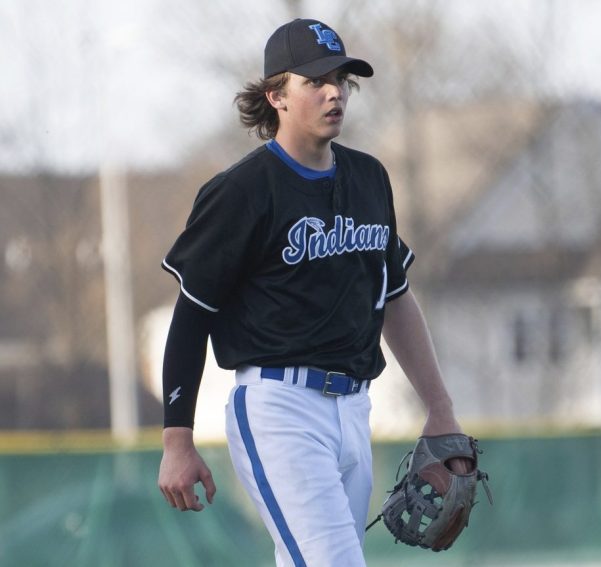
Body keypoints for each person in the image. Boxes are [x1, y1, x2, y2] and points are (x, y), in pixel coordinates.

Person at [158, 17, 469, 567]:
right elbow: (192, 315)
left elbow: (394, 296)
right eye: (317, 80)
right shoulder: (241, 191)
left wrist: (440, 407)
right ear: (276, 95)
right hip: (280, 409)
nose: (335, 92)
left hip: (354, 409)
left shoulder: (370, 178)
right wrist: (176, 442)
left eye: (342, 80)